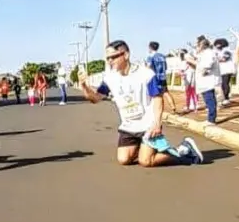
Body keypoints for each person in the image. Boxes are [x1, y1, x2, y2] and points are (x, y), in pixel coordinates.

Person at [79, 39, 204, 167]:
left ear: (126, 55)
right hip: (128, 127)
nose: (110, 61)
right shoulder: (110, 78)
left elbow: (157, 98)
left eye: (114, 57)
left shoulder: (146, 74)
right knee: (124, 160)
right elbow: (95, 98)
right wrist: (84, 86)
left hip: (147, 126)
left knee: (146, 161)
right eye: (108, 58)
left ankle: (185, 153)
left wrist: (157, 123)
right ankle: (144, 149)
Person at [186, 36, 220, 124]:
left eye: (198, 44)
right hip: (204, 82)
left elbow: (205, 67)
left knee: (210, 99)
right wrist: (191, 63)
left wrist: (192, 61)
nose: (196, 46)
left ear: (202, 45)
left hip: (208, 81)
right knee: (208, 100)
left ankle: (211, 120)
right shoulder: (203, 54)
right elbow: (198, 67)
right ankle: (210, 118)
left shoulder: (209, 53)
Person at [145, 42, 177, 113]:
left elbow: (148, 67)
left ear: (150, 47)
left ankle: (159, 112)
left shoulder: (150, 56)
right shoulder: (162, 56)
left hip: (155, 78)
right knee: (166, 93)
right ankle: (173, 107)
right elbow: (165, 67)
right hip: (163, 77)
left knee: (157, 96)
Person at [214, 38, 235, 106]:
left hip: (227, 70)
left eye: (219, 44)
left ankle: (226, 98)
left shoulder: (227, 50)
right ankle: (223, 98)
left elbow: (223, 59)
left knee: (225, 83)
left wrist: (215, 58)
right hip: (220, 70)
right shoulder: (216, 51)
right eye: (216, 44)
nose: (217, 45)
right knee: (221, 84)